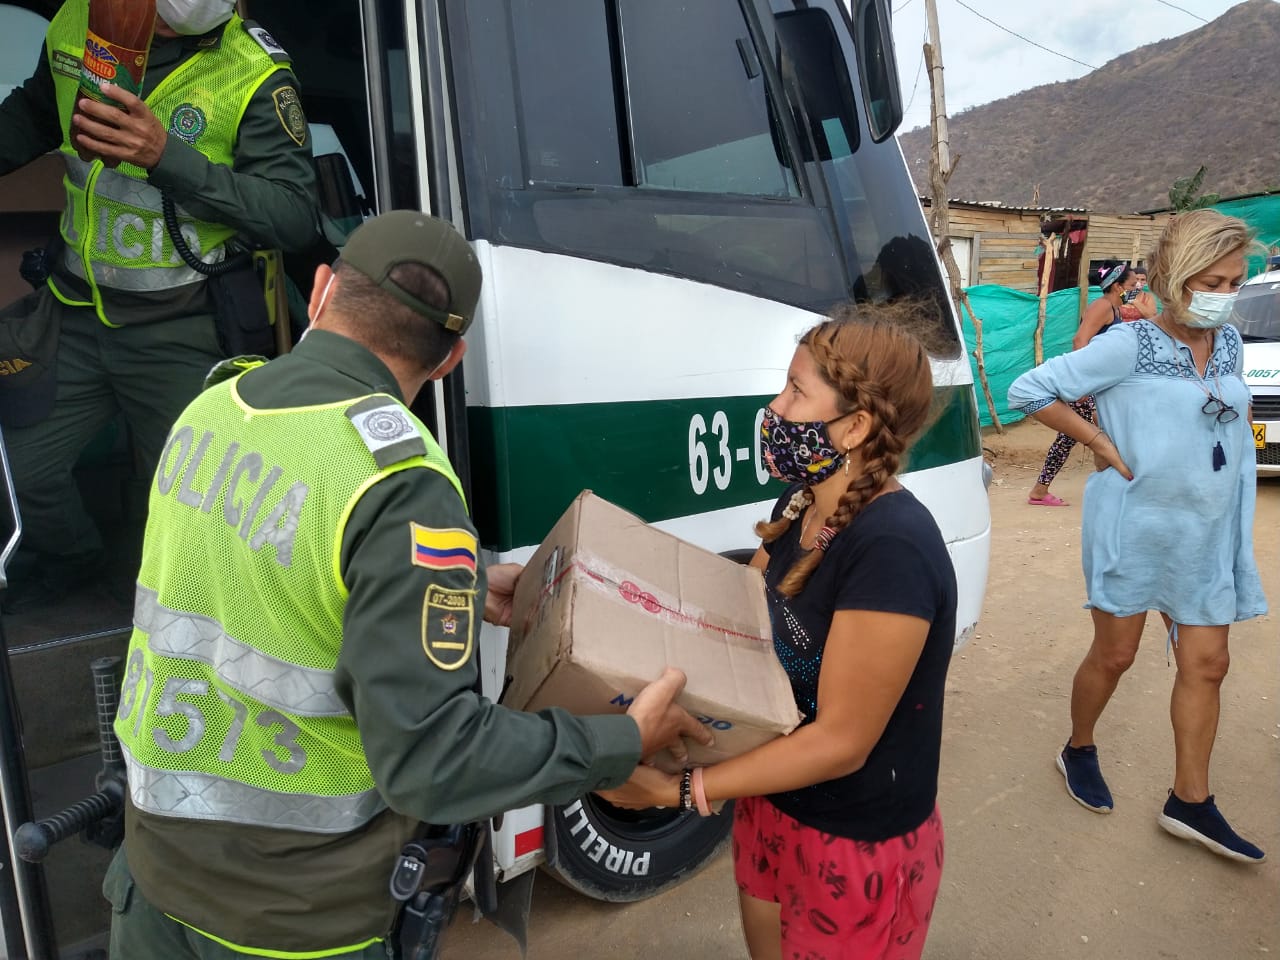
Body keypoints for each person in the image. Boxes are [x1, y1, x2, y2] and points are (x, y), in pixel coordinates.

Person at [103, 210, 711, 958]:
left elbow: (261, 578)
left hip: (151, 874)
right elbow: (434, 762)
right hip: (285, 919)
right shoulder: (399, 483)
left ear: (320, 290)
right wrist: (619, 740)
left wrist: (450, 583)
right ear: (451, 359)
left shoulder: (213, 408)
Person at [600, 304, 958, 960]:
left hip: (852, 838)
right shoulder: (801, 506)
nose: (776, 405)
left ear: (853, 427)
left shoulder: (892, 550)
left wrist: (680, 791)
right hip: (772, 800)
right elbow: (738, 632)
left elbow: (844, 742)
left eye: (797, 391)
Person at [0, 0, 318, 610]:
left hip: (182, 325)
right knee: (21, 472)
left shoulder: (252, 69)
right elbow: (37, 113)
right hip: (75, 310)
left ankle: (167, 632)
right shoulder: (76, 21)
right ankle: (73, 558)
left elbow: (294, 216)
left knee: (183, 508)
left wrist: (164, 156)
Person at [1008, 209, 1267, 864]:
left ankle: (1191, 801)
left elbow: (1230, 416)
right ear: (1175, 278)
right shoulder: (1131, 344)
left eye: (1236, 281)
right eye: (1213, 280)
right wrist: (1097, 440)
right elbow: (1027, 389)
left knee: (1209, 663)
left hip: (1206, 532)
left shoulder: (1232, 344)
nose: (1226, 295)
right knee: (1115, 656)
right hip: (1133, 528)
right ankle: (1079, 748)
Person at [1026, 264, 1134, 506]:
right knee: (1099, 434)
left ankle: (1041, 490)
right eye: (1131, 285)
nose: (1135, 288)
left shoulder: (1114, 309)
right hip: (1088, 386)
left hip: (1096, 384)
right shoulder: (1103, 306)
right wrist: (1082, 383)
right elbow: (1080, 340)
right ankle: (1111, 488)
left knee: (1075, 436)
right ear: (1117, 286)